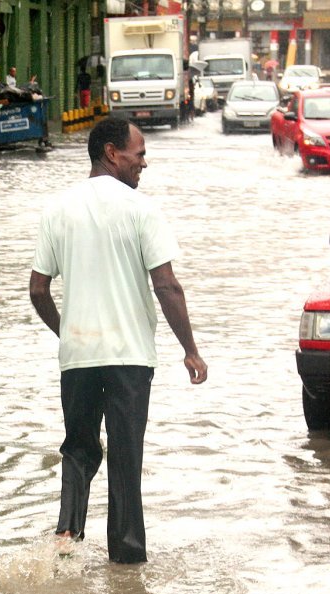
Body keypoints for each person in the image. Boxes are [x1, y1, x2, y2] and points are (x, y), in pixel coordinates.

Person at [28, 117, 207, 564]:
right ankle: (127, 563)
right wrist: (190, 349)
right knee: (126, 458)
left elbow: (37, 289)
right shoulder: (140, 208)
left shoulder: (57, 209)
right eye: (139, 153)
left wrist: (67, 331)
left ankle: (67, 538)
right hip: (129, 358)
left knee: (78, 447)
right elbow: (166, 286)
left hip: (78, 356)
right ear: (112, 152)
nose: (144, 162)